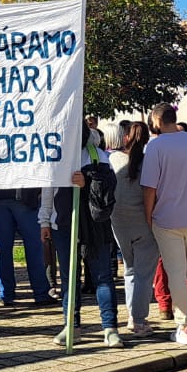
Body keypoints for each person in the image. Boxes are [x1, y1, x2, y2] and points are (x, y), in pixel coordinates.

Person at [142, 103, 187, 346]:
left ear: (156, 120)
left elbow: (149, 188)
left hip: (167, 218)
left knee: (176, 273)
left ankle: (184, 325)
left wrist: (148, 217)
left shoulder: (155, 146)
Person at [53, 130, 122, 347]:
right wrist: (45, 220)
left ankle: (110, 328)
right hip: (64, 223)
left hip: (94, 228)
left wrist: (88, 182)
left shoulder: (97, 156)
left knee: (102, 277)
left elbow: (109, 189)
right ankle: (71, 325)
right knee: (68, 278)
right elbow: (49, 189)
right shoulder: (56, 154)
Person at [108, 121, 159, 338]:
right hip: (144, 221)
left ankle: (132, 315)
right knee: (144, 274)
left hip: (118, 222)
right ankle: (138, 319)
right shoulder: (149, 162)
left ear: (125, 137)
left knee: (129, 270)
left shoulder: (112, 159)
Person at [0, 186, 54, 307]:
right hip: (24, 195)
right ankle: (40, 293)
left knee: (3, 248)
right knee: (33, 247)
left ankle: (6, 294)